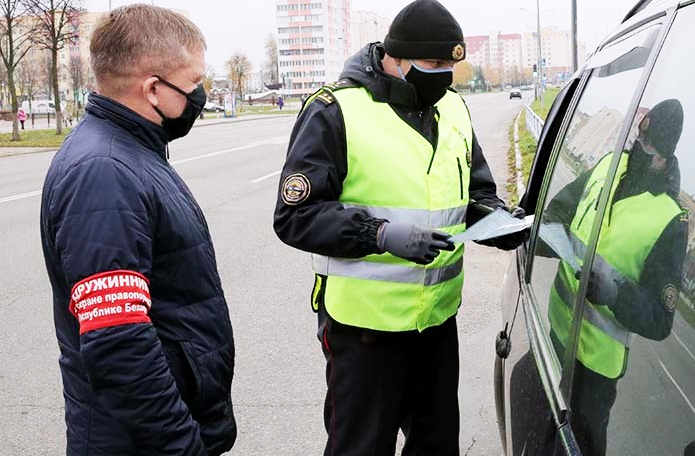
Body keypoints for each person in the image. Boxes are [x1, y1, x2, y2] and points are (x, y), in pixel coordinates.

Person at [273, 0, 527, 454]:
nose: (443, 76)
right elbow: (295, 215)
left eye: (449, 65)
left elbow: (475, 194)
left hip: (435, 322)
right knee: (362, 446)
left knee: (436, 444)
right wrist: (379, 234)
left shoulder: (453, 109)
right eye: (433, 64)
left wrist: (498, 221)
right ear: (396, 56)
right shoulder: (335, 111)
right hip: (363, 331)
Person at [39, 5, 236, 455]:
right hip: (139, 442)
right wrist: (182, 445)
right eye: (192, 84)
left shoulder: (132, 152)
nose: (200, 95)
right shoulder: (104, 171)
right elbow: (118, 340)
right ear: (152, 89)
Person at [540, 99, 688, 456]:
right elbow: (557, 213)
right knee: (544, 436)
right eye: (639, 136)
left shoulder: (670, 219)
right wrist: (530, 233)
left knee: (582, 447)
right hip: (556, 337)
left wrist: (615, 295)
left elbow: (660, 320)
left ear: (664, 155)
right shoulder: (608, 165)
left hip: (597, 373)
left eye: (649, 145)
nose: (639, 147)